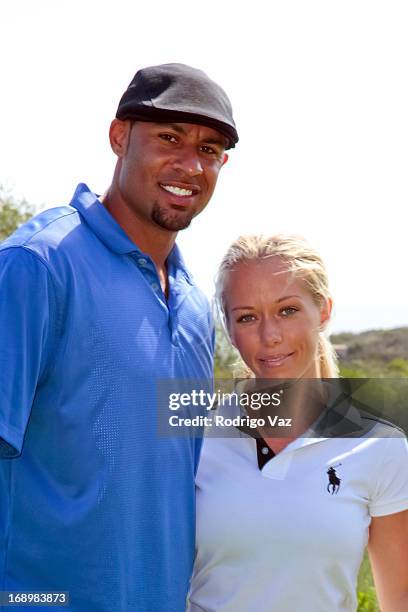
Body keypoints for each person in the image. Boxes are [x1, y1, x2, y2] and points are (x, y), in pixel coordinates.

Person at [0, 63, 238, 611]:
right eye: (169, 138)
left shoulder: (195, 305)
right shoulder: (39, 265)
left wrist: (371, 418)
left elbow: (176, 452)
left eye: (210, 149)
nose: (189, 164)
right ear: (118, 137)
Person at [188, 234, 408, 612]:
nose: (269, 336)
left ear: (323, 311)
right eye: (247, 317)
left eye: (287, 310)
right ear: (228, 328)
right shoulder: (192, 439)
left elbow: (400, 599)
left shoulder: (380, 446)